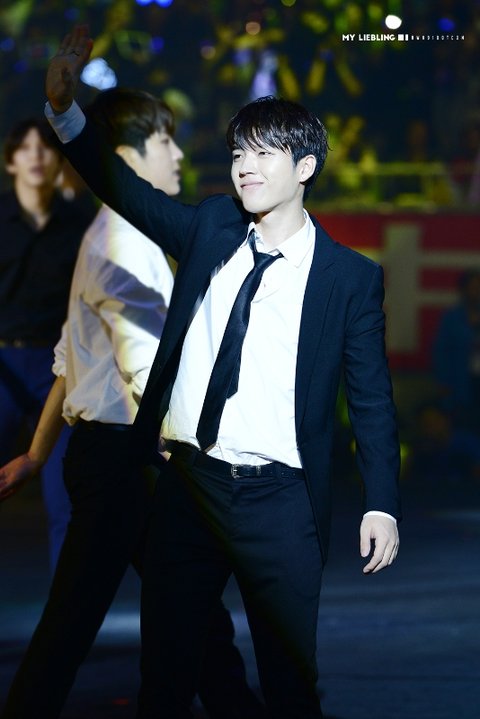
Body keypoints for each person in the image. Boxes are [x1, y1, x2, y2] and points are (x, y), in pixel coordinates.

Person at [42, 26, 401, 719]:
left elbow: (372, 401)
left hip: (282, 502)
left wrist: (381, 502)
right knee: (165, 678)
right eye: (238, 152)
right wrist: (65, 112)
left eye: (264, 153)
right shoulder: (211, 226)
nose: (245, 167)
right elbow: (124, 190)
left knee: (291, 687)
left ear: (305, 166)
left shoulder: (349, 278)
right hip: (190, 489)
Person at [0, 87, 265, 719]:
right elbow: (142, 370)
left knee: (189, 617)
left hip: (119, 456)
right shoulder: (125, 241)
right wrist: (197, 456)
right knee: (86, 622)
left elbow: (69, 359)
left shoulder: (113, 231)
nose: (179, 154)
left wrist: (35, 455)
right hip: (128, 460)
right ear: (126, 157)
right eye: (164, 140)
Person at [0, 116, 95, 572]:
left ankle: (64, 608)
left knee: (66, 498)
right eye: (26, 149)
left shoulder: (80, 222)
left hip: (59, 367)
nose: (37, 156)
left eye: (46, 148)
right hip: (3, 361)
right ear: (11, 162)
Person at [432, 268, 480, 433]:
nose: (477, 292)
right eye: (473, 287)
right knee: (463, 427)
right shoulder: (452, 318)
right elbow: (441, 352)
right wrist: (443, 383)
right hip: (461, 383)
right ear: (464, 290)